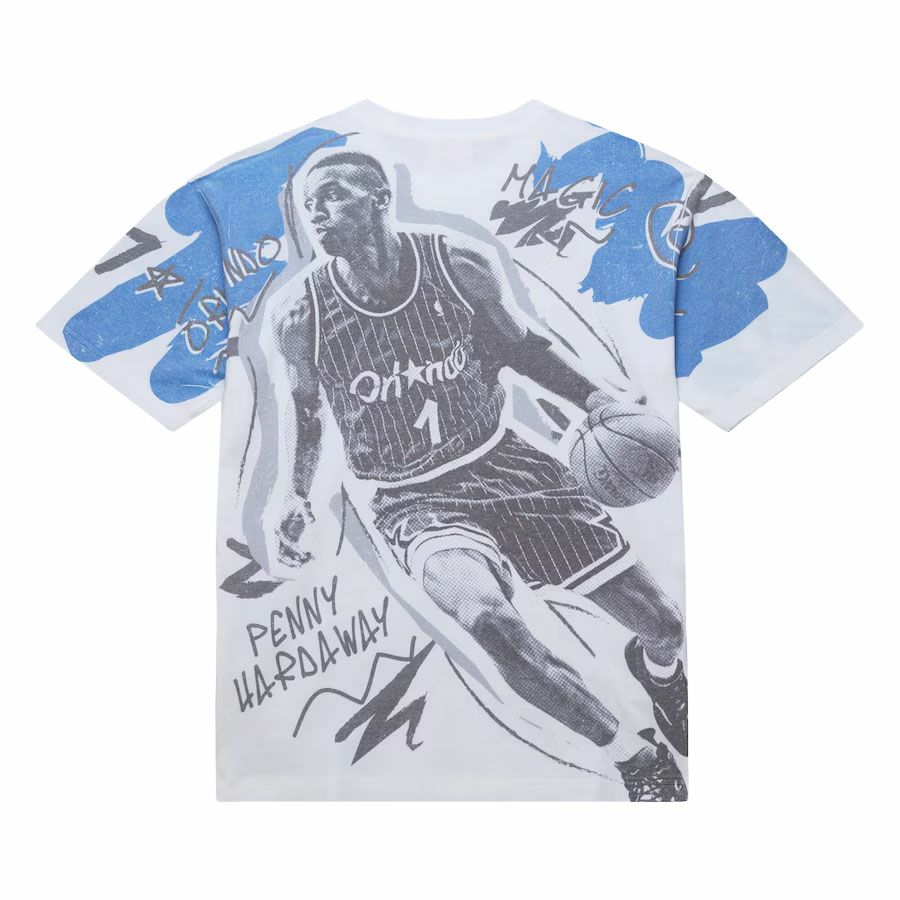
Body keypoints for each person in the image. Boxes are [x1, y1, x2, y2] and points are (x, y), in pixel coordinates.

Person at [269, 150, 687, 800]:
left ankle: (661, 674)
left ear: (379, 196)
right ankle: (633, 756)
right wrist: (294, 493)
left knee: (664, 625)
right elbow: (305, 409)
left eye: (334, 195)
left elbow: (521, 350)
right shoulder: (303, 313)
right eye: (309, 204)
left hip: (509, 466)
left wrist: (598, 401)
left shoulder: (455, 264)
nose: (316, 212)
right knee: (489, 622)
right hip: (412, 500)